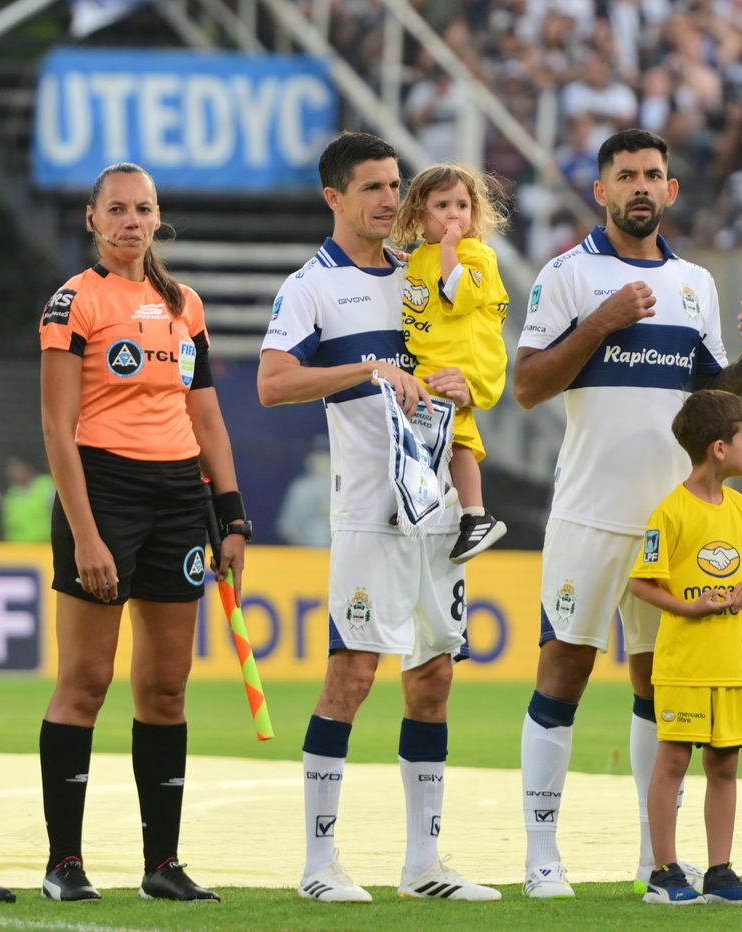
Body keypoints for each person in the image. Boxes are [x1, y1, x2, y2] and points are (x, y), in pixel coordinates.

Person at [512, 128, 742, 899]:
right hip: (593, 511)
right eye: (624, 174)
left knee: (657, 688)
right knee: (563, 667)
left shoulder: (694, 282)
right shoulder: (566, 275)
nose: (639, 186)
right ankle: (541, 856)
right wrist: (599, 323)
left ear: (669, 191)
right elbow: (527, 387)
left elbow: (708, 404)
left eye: (652, 175)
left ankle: (653, 858)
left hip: (677, 521)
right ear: (600, 190)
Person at [258, 132, 500, 904]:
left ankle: (424, 864)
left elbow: (473, 340)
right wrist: (367, 368)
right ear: (334, 197)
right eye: (373, 187)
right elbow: (272, 383)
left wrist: (464, 381)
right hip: (369, 510)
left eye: (396, 185)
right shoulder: (313, 286)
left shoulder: (423, 272)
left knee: (432, 680)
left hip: (438, 510)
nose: (390, 200)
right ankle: (319, 865)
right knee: (352, 675)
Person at [37, 162, 248, 903]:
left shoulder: (185, 305)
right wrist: (88, 536)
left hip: (176, 500)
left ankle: (163, 865)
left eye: (144, 209)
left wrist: (231, 517)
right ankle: (64, 864)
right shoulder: (74, 302)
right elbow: (58, 433)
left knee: (165, 687)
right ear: (93, 220)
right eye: (117, 209)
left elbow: (208, 418)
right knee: (86, 683)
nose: (132, 220)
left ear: (159, 219)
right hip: (104, 494)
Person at [628, 390, 742, 906]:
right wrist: (691, 608)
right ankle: (664, 872)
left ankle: (719, 872)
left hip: (731, 664)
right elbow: (642, 583)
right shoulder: (670, 513)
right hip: (684, 665)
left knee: (725, 764)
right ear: (718, 448)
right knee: (674, 761)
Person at [392, 162, 511, 561]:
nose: (454, 214)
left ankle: (476, 516)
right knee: (420, 424)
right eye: (442, 205)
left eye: (462, 205)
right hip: (435, 362)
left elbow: (459, 293)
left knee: (456, 437)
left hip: (466, 363)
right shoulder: (421, 256)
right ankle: (425, 495)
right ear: (418, 214)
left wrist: (447, 249)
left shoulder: (475, 254)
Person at [0, 456, 55, 542]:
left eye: (16, 468)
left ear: (28, 468)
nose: (12, 472)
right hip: (17, 549)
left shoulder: (47, 486)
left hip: (43, 546)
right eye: (10, 469)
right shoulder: (11, 494)